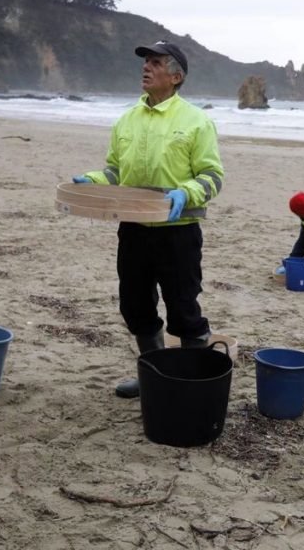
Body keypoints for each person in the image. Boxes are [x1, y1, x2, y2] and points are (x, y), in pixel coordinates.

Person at [72, 40, 224, 398]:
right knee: (135, 306)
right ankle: (155, 375)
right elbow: (115, 171)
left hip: (179, 233)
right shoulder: (126, 119)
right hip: (134, 230)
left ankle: (191, 380)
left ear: (176, 76)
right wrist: (92, 181)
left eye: (156, 63)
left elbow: (212, 176)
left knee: (184, 310)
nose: (146, 68)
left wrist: (185, 192)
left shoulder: (196, 121)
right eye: (146, 63)